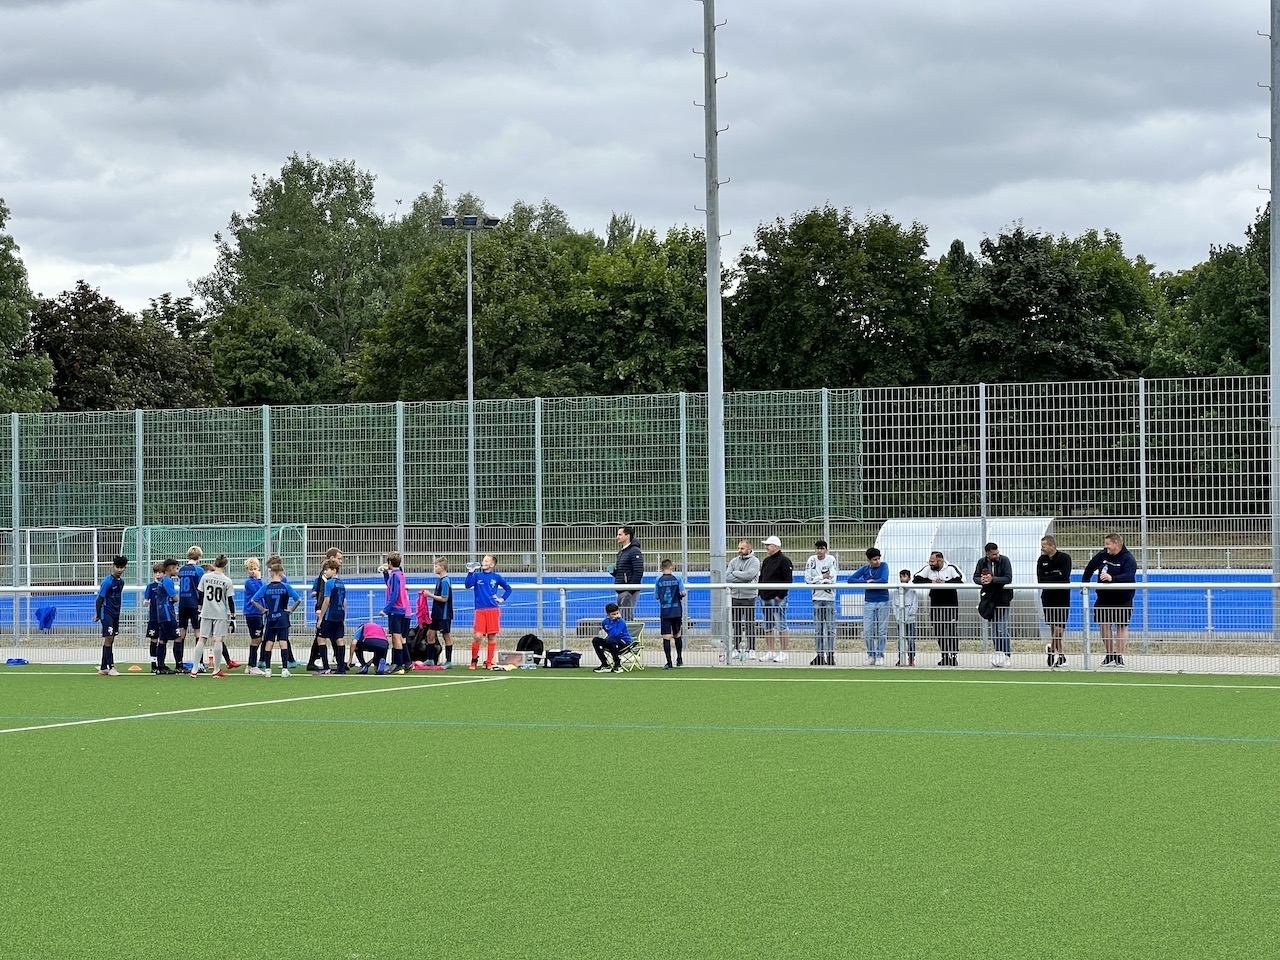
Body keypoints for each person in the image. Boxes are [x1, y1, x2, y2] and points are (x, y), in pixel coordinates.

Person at [1081, 533, 1137, 667]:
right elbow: (1090, 567)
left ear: (1116, 544)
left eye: (1108, 544)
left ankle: (1119, 656)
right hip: (1104, 597)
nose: (1106, 547)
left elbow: (1129, 576)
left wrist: (1113, 578)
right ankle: (1109, 654)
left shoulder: (1128, 558)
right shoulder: (1103, 555)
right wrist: (1085, 583)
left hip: (1123, 598)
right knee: (1104, 624)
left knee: (1121, 625)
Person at [250, 558, 302, 677]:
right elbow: (298, 599)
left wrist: (263, 610)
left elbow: (253, 600)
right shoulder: (286, 587)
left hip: (270, 617)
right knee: (283, 641)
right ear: (281, 574)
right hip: (282, 617)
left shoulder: (266, 587)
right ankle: (284, 669)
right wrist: (291, 610)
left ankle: (268, 670)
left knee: (269, 642)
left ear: (271, 574)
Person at [914, 551, 964, 667]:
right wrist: (931, 581)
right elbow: (916, 579)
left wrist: (945, 583)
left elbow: (961, 579)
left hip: (950, 604)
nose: (930, 563)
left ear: (940, 561)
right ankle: (944, 656)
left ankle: (954, 656)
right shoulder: (928, 569)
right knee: (939, 631)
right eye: (929, 561)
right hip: (935, 604)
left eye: (932, 561)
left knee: (951, 631)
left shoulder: (951, 568)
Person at [191, 554, 235, 678]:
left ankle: (194, 669)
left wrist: (200, 607)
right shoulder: (227, 581)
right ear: (225, 566)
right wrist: (233, 617)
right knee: (218, 640)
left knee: (202, 639)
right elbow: (230, 600)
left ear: (215, 564)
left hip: (206, 611)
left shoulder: (206, 577)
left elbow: (200, 594)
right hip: (220, 613)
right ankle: (216, 670)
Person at [465, 554, 512, 670]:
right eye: (483, 560)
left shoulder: (496, 577)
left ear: (492, 564)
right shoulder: (477, 576)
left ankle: (489, 661)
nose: (483, 562)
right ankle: (474, 660)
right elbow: (467, 585)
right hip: (480, 610)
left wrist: (501, 599)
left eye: (486, 561)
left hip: (493, 609)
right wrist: (470, 572)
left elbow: (508, 589)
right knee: (478, 636)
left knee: (492, 636)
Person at [975, 542, 1013, 667]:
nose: (997, 555)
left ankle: (1007, 655)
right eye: (994, 554)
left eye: (997, 553)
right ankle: (998, 654)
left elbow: (1008, 578)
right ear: (987, 554)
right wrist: (982, 580)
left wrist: (993, 579)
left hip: (1003, 599)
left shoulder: (1005, 560)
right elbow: (975, 577)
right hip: (989, 600)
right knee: (995, 630)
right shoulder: (981, 562)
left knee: (1002, 629)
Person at [848, 547, 889, 665]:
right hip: (869, 601)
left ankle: (880, 655)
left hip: (882, 600)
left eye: (878, 558)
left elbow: (884, 579)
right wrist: (865, 582)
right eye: (874, 559)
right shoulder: (865, 569)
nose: (877, 561)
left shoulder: (884, 566)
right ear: (869, 560)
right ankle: (871, 655)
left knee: (882, 630)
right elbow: (851, 579)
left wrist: (873, 582)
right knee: (867, 631)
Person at [1037, 535, 1072, 668]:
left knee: (1059, 630)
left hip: (1062, 598)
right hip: (1048, 597)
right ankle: (1061, 655)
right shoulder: (1042, 560)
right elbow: (1041, 579)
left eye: (1044, 546)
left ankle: (1052, 650)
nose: (1042, 548)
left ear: (1052, 546)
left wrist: (1050, 576)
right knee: (1053, 628)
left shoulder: (1065, 558)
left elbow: (1064, 577)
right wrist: (1055, 576)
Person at [758, 536, 792, 663]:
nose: (766, 547)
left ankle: (784, 652)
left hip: (777, 598)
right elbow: (762, 577)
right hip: (765, 597)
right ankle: (771, 651)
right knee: (767, 625)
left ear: (776, 546)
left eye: (769, 545)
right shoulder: (766, 561)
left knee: (781, 624)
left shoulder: (784, 561)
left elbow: (787, 580)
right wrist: (760, 592)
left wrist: (780, 595)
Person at [308, 547, 343, 671]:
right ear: (332, 558)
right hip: (326, 610)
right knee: (322, 636)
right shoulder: (326, 576)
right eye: (339, 558)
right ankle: (335, 663)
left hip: (331, 610)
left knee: (327, 636)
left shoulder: (332, 578)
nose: (341, 561)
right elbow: (323, 593)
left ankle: (338, 662)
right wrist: (319, 608)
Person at [804, 539, 839, 666]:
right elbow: (808, 579)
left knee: (830, 629)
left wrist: (818, 580)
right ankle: (819, 655)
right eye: (818, 548)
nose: (819, 551)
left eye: (822, 548)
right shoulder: (811, 560)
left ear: (826, 550)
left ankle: (830, 655)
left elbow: (832, 579)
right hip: (817, 598)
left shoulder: (831, 560)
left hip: (829, 598)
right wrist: (822, 577)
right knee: (818, 629)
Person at [92, 555, 128, 676]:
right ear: (113, 566)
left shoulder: (121, 582)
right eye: (117, 567)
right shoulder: (108, 581)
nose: (119, 570)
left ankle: (103, 667)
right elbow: (99, 599)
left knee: (111, 639)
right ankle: (111, 667)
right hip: (106, 612)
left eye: (122, 567)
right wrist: (98, 614)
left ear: (125, 568)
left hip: (115, 614)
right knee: (109, 638)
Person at [725, 540, 760, 659]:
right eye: (739, 548)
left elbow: (750, 575)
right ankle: (736, 648)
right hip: (735, 596)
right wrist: (742, 577)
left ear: (749, 549)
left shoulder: (754, 561)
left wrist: (735, 573)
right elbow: (728, 576)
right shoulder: (734, 561)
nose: (739, 550)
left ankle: (752, 649)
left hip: (749, 596)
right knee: (736, 623)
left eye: (742, 548)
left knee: (750, 623)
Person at [314, 557, 347, 674]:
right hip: (340, 615)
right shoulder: (341, 584)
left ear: (334, 570)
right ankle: (341, 668)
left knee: (321, 638)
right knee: (339, 639)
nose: (325, 572)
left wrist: (320, 618)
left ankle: (326, 667)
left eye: (327, 569)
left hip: (330, 615)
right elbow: (344, 602)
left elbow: (326, 601)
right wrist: (344, 617)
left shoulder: (329, 583)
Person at [380, 551, 411, 675]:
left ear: (389, 562)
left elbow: (394, 594)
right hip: (401, 609)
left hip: (395, 610)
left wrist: (386, 609)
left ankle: (399, 665)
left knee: (396, 637)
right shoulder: (399, 574)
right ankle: (405, 663)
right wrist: (385, 574)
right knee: (399, 637)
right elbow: (390, 586)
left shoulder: (395, 576)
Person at [175, 545, 204, 671]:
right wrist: (201, 603)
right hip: (194, 603)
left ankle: (179, 663)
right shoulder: (199, 570)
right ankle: (199, 663)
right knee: (198, 632)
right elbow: (201, 588)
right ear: (199, 557)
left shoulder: (181, 570)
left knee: (182, 632)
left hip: (182, 603)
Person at [654, 558, 686, 669]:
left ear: (661, 568)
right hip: (676, 610)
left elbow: (656, 596)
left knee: (666, 636)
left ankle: (669, 662)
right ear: (671, 567)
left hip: (665, 611)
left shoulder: (658, 579)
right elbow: (683, 592)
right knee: (677, 634)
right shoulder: (677, 578)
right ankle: (679, 659)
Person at [425, 557, 454, 666]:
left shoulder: (445, 581)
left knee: (446, 635)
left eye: (436, 566)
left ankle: (449, 661)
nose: (434, 568)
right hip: (437, 613)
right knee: (430, 634)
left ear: (442, 568)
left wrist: (430, 595)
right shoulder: (440, 580)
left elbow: (444, 598)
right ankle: (430, 659)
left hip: (444, 614)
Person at [612, 526, 644, 621]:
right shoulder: (622, 552)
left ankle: (628, 631)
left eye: (620, 534)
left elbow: (638, 571)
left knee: (626, 618)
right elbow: (623, 572)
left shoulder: (634, 551)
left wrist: (631, 590)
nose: (617, 537)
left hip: (628, 590)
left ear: (627, 536)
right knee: (621, 617)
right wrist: (614, 572)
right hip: (621, 589)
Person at [592, 601, 632, 674]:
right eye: (613, 614)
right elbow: (611, 634)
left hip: (624, 642)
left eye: (617, 613)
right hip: (612, 642)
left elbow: (614, 634)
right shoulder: (605, 622)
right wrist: (612, 622)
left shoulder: (621, 621)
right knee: (596, 640)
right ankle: (605, 664)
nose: (616, 615)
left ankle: (617, 665)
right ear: (608, 614)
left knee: (610, 640)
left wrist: (614, 621)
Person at [243, 558, 266, 675]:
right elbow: (259, 591)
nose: (253, 571)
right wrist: (259, 579)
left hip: (258, 613)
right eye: (251, 569)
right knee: (256, 639)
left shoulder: (258, 582)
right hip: (252, 613)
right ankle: (252, 665)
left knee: (258, 639)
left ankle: (250, 665)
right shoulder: (249, 582)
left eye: (255, 569)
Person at [142, 562, 166, 673]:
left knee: (163, 640)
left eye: (160, 572)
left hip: (164, 617)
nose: (158, 574)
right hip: (153, 618)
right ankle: (153, 664)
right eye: (156, 572)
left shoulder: (166, 585)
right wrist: (146, 602)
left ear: (164, 573)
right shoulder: (151, 586)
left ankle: (161, 664)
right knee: (154, 640)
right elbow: (146, 599)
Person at [892, 569, 919, 666]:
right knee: (900, 641)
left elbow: (914, 606)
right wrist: (898, 617)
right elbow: (894, 606)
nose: (902, 578)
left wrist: (909, 615)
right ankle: (901, 658)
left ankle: (911, 659)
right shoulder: (896, 592)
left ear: (909, 578)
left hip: (910, 621)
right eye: (901, 576)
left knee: (911, 640)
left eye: (904, 576)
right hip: (900, 621)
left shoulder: (913, 592)